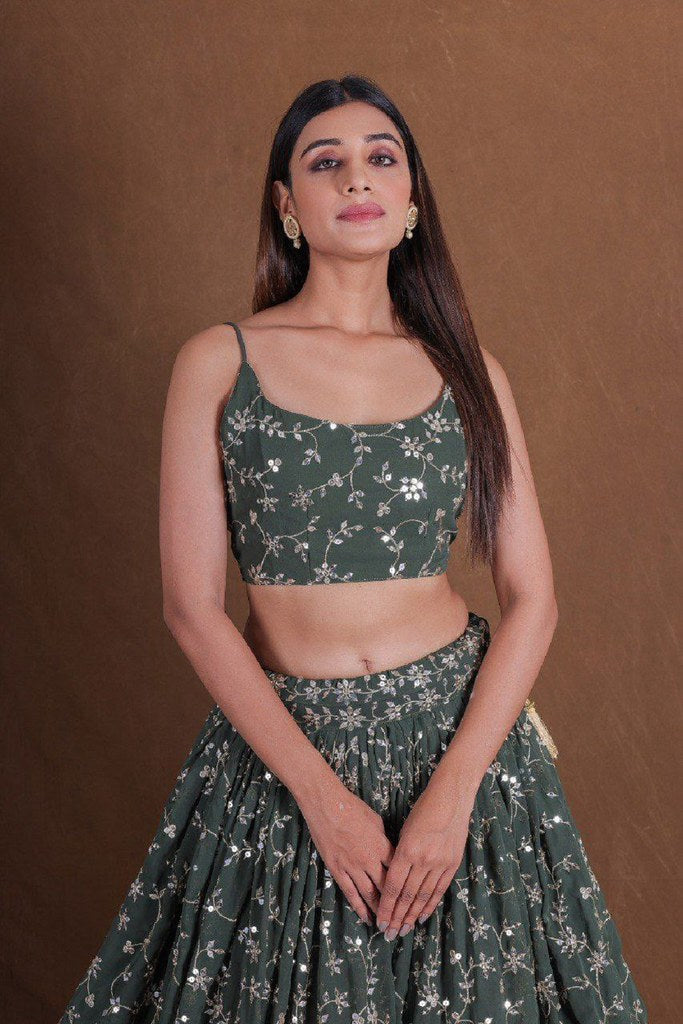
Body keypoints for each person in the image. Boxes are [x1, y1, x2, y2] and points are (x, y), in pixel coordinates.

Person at [60, 75, 647, 1022]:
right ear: (286, 205)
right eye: (323, 162)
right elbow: (191, 607)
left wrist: (454, 794)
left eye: (381, 157)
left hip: (459, 748)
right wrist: (323, 800)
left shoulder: (467, 371)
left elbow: (532, 597)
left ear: (411, 198)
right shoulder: (219, 361)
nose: (356, 178)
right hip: (285, 753)